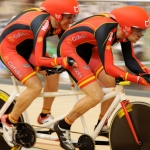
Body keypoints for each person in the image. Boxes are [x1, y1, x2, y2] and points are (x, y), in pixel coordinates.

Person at [53, 5, 150, 150]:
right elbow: (110, 67)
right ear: (126, 27)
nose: (140, 35)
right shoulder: (104, 30)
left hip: (89, 49)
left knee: (113, 84)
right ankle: (63, 125)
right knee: (95, 95)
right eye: (138, 31)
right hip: (70, 49)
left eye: (143, 31)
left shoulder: (123, 32)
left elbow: (130, 60)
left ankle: (101, 123)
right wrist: (137, 79)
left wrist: (146, 74)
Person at [0, 0, 79, 147]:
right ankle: (9, 120)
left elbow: (69, 48)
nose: (72, 20)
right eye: (69, 17)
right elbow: (40, 60)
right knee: (35, 87)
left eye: (74, 16)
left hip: (27, 46)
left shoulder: (58, 24)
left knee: (53, 73)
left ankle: (44, 115)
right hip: (10, 49)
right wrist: (61, 61)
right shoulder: (42, 24)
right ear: (57, 15)